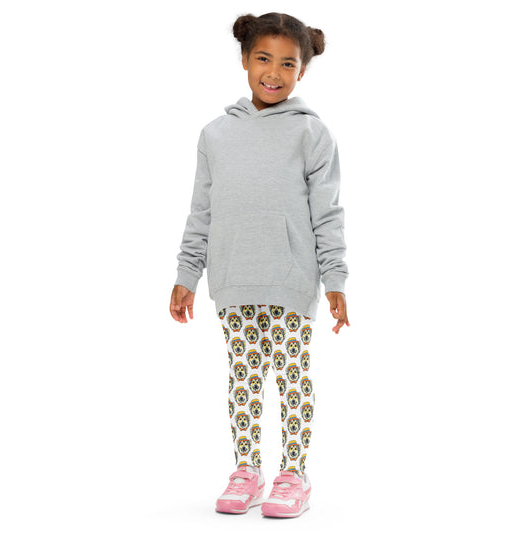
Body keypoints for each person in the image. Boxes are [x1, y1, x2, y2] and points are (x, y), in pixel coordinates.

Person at [170, 12, 350, 518]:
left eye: (288, 64)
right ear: (245, 60)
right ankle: (247, 470)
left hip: (292, 279)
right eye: (263, 59)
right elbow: (201, 211)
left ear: (302, 71)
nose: (274, 72)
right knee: (243, 377)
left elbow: (328, 213)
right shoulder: (215, 134)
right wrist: (187, 274)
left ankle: (294, 474)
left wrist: (335, 279)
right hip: (233, 278)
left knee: (292, 376)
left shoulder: (311, 133)